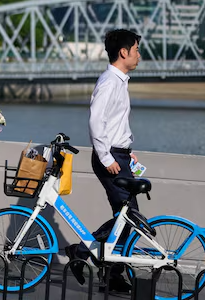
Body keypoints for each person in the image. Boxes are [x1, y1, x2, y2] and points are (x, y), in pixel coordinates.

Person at [65, 29, 141, 294]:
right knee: (129, 216)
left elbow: (114, 123)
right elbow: (96, 122)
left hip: (119, 155)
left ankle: (111, 276)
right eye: (136, 50)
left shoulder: (119, 81)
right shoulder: (110, 81)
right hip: (109, 157)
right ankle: (82, 251)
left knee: (124, 218)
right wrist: (108, 156)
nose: (139, 55)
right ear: (124, 52)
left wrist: (126, 150)